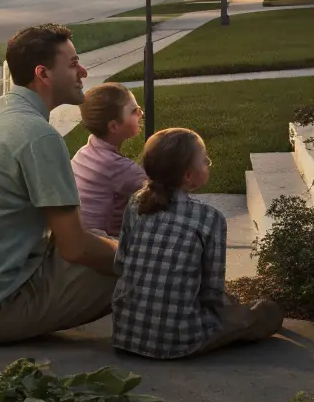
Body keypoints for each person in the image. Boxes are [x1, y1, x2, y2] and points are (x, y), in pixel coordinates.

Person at [0, 23, 118, 344]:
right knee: (145, 272)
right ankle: (204, 319)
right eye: (73, 64)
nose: (83, 71)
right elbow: (75, 247)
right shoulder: (39, 136)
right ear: (43, 74)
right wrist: (142, 259)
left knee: (104, 243)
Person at [111, 127, 285, 359]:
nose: (209, 164)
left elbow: (120, 264)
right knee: (265, 313)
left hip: (125, 333)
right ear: (188, 176)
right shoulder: (209, 219)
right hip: (177, 340)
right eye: (205, 161)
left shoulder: (135, 204)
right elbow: (211, 294)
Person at [72, 83, 149, 237]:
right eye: (134, 111)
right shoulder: (119, 167)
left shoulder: (83, 154)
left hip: (76, 238)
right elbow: (162, 193)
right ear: (114, 126)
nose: (140, 113)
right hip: (105, 247)